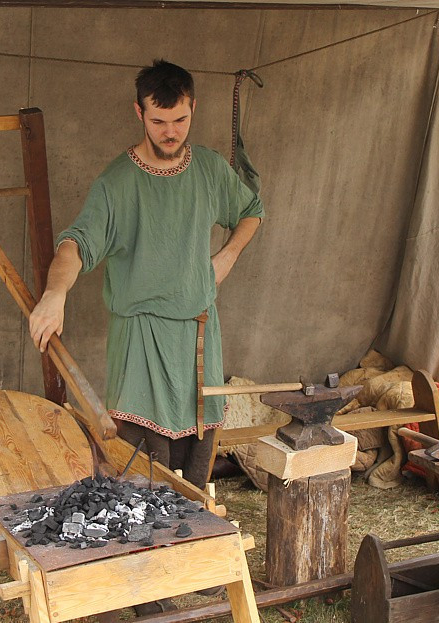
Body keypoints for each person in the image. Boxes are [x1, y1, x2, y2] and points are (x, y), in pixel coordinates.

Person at [29, 59, 263, 490]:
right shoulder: (116, 184)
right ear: (139, 113)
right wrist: (54, 293)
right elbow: (74, 245)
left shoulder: (210, 170)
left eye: (180, 120)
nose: (170, 132)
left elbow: (251, 211)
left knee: (196, 467)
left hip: (198, 336)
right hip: (139, 341)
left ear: (193, 108)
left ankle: (193, 535)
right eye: (159, 121)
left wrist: (226, 257)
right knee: (137, 470)